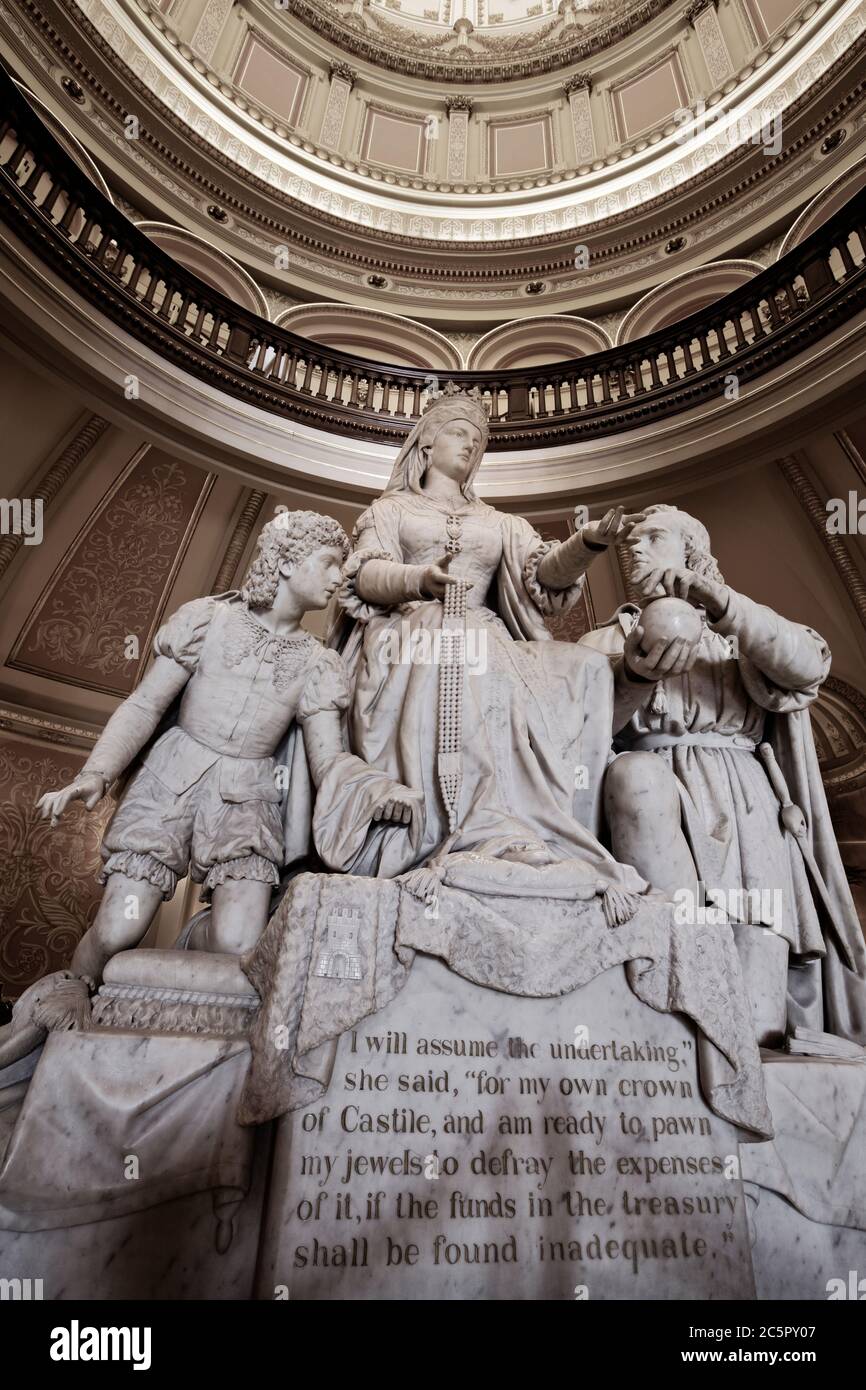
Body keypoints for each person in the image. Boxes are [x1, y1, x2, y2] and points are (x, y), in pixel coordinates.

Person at [326, 387, 695, 921]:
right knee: (460, 648)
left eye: (479, 441)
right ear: (426, 442)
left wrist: (585, 543)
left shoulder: (498, 522)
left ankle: (560, 826)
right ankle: (479, 827)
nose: (471, 447)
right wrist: (419, 580)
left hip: (485, 633)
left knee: (589, 666)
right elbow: (363, 575)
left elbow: (540, 578)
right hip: (413, 630)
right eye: (459, 433)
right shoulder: (392, 510)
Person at [35, 510, 418, 983]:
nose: (339, 579)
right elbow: (145, 705)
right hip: (169, 780)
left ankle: (191, 939)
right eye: (329, 563)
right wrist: (95, 773)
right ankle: (72, 995)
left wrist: (376, 790)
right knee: (117, 930)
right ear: (285, 562)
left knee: (236, 945)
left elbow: (328, 759)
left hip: (248, 799)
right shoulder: (207, 620)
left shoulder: (320, 663)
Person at [582, 503, 866, 1045]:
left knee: (759, 1004)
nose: (634, 549)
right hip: (647, 793)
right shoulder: (606, 641)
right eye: (631, 542)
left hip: (744, 803)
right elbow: (572, 734)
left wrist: (723, 605)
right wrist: (637, 675)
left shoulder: (735, 632)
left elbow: (807, 666)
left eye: (653, 539)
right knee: (680, 976)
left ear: (691, 552)